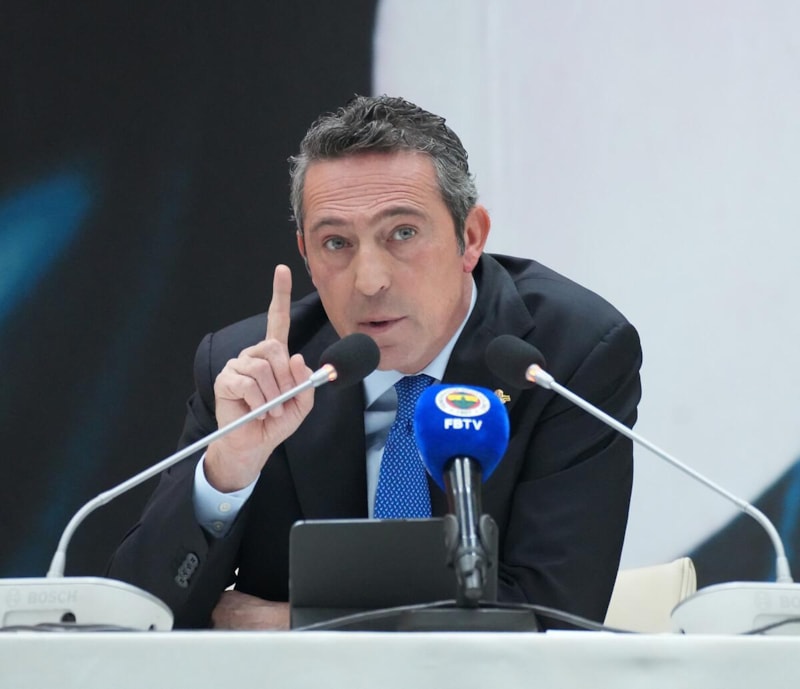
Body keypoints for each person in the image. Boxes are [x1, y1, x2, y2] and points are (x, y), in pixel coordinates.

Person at [108, 95, 642, 629]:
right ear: (306, 256)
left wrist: (295, 623)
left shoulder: (563, 356)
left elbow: (554, 615)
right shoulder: (260, 374)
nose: (369, 281)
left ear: (470, 238)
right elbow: (135, 618)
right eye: (336, 243)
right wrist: (228, 470)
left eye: (402, 234)